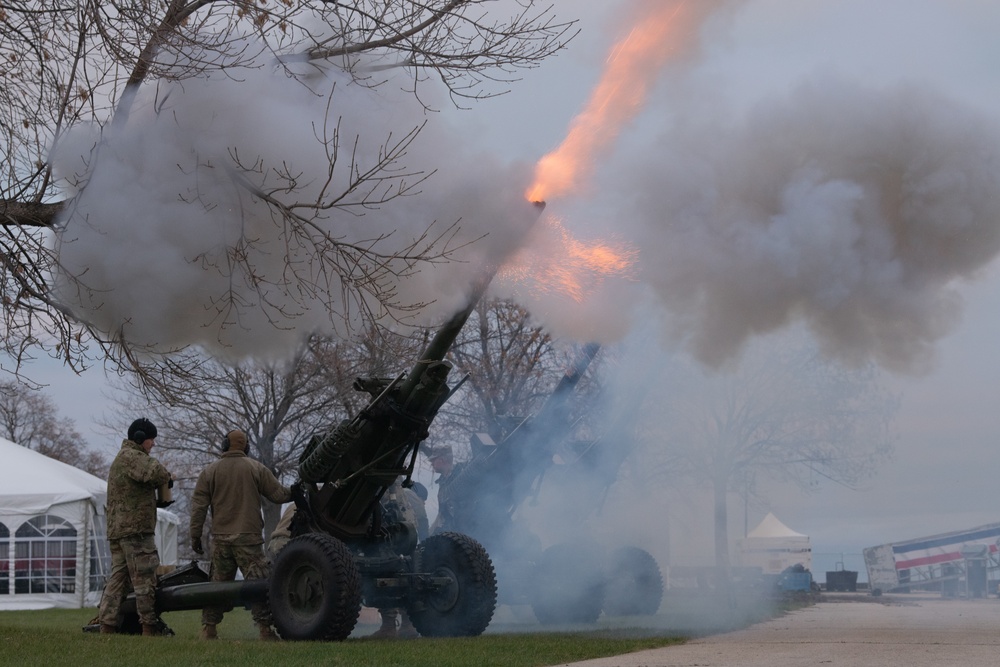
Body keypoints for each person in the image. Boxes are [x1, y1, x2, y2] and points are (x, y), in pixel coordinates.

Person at [190, 429, 291, 641]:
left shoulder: (210, 471)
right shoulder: (256, 468)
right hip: (249, 538)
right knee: (257, 584)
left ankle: (209, 629)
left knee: (217, 585)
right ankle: (264, 630)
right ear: (246, 447)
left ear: (224, 445)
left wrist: (195, 536)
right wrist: (299, 490)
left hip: (221, 538)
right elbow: (279, 495)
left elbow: (198, 507)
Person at [97, 418, 173, 636]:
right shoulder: (133, 457)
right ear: (140, 439)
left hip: (119, 531)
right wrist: (167, 478)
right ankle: (148, 627)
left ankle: (107, 626)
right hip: (136, 532)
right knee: (145, 579)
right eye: (151, 440)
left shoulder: (122, 458)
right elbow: (155, 472)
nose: (153, 445)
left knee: (118, 581)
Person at [371, 480, 428, 639]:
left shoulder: (382, 489)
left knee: (384, 573)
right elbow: (421, 517)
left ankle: (389, 627)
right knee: (408, 575)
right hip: (406, 531)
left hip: (387, 532)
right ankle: (408, 624)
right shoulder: (406, 493)